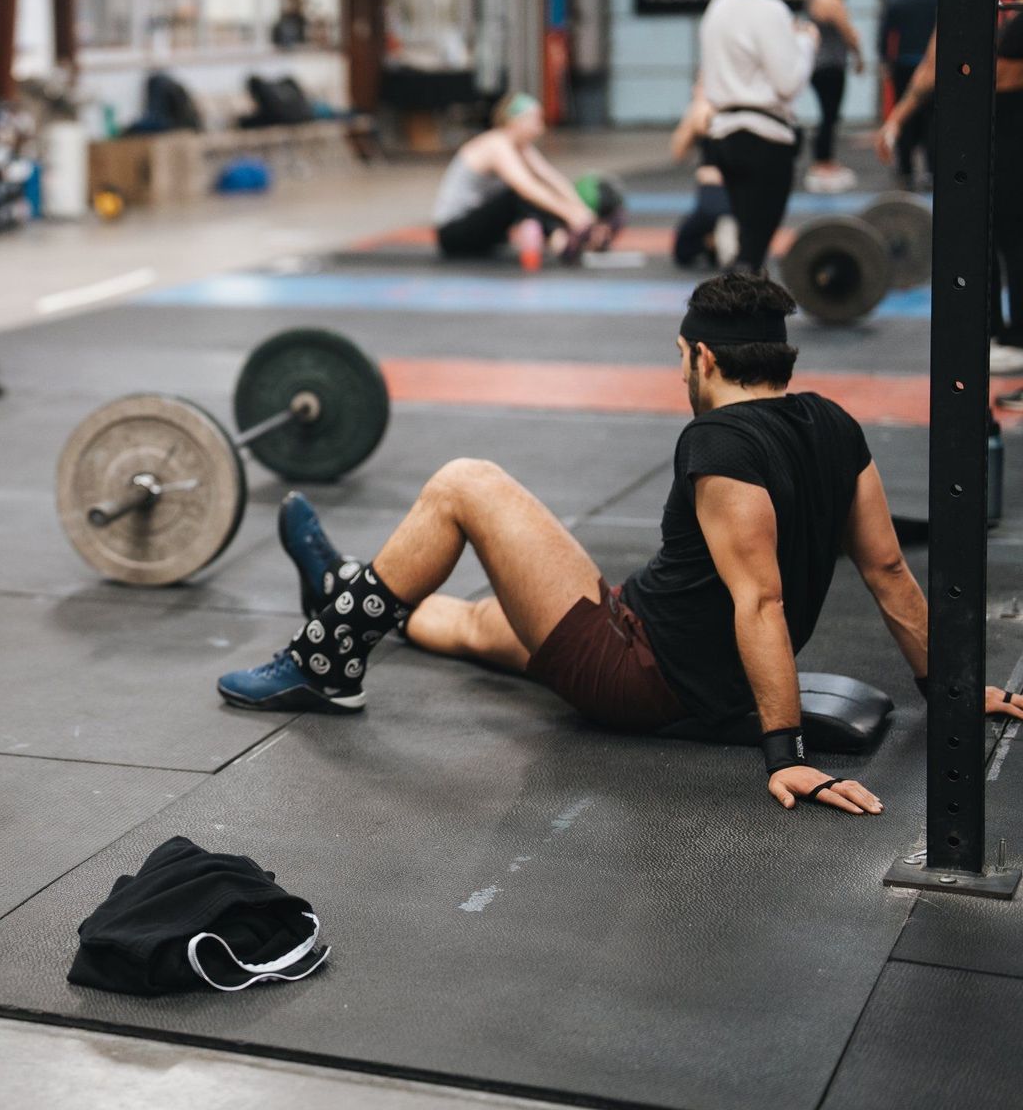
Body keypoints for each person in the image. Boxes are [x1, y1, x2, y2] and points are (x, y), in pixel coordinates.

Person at [218, 272, 1023, 814]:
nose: (681, 374)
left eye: (682, 359)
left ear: (703, 356)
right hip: (644, 636)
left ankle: (323, 666)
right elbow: (888, 571)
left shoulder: (720, 442)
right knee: (469, 623)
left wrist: (785, 754)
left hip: (637, 671)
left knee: (467, 483)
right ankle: (345, 597)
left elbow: (761, 599)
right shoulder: (836, 423)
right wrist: (950, 689)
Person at [878, 0, 1023, 380]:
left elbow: (1004, 68)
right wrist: (896, 119)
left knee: (1014, 234)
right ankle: (994, 331)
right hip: (969, 127)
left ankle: (1019, 337)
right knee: (975, 234)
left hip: (1014, 124)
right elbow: (936, 62)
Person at [698, 0, 814, 273]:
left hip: (723, 137)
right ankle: (735, 320)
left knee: (749, 241)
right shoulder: (769, 8)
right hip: (764, 140)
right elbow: (789, 83)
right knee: (752, 253)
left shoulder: (718, 6)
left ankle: (740, 314)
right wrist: (806, 43)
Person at [432, 92, 606, 265]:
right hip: (453, 233)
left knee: (537, 195)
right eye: (535, 119)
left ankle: (574, 236)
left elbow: (551, 178)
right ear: (516, 120)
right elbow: (526, 188)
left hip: (484, 231)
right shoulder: (496, 144)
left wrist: (581, 210)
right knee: (519, 196)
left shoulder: (521, 147)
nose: (541, 127)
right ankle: (560, 241)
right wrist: (570, 214)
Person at [801, 0, 866, 194]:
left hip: (821, 64)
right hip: (829, 65)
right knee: (830, 115)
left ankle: (824, 159)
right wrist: (859, 55)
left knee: (828, 114)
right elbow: (847, 31)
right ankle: (823, 162)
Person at [878, 0, 939, 189]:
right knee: (934, 120)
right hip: (937, 65)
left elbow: (885, 34)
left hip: (904, 63)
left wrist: (885, 61)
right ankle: (935, 172)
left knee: (905, 120)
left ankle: (905, 171)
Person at [670, 83, 735, 269]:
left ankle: (731, 237)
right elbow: (678, 152)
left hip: (732, 190)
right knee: (683, 250)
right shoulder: (703, 110)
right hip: (714, 193)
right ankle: (717, 240)